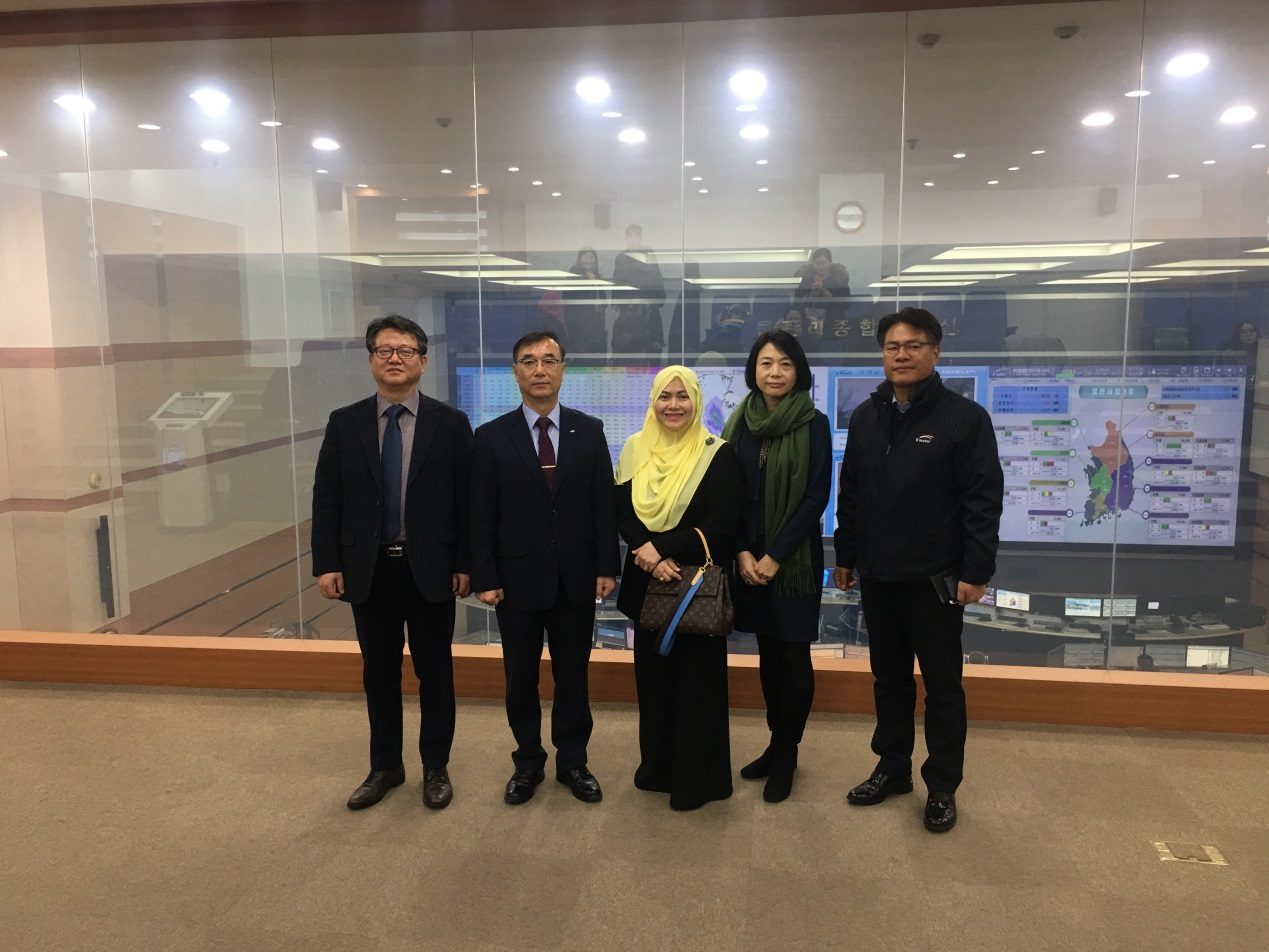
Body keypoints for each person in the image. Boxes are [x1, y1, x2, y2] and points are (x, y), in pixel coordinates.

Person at [832, 306, 1003, 833]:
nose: (901, 355)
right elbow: (851, 492)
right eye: (892, 347)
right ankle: (892, 768)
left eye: (913, 346)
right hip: (878, 575)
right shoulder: (867, 415)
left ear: (935, 352)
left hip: (935, 579)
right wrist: (845, 556)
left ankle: (943, 785)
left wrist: (976, 571)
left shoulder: (964, 419)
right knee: (888, 681)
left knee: (942, 687)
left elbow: (982, 501)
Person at [311, 314, 473, 811]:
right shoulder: (345, 423)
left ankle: (435, 767)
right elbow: (327, 497)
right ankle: (385, 766)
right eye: (385, 350)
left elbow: (467, 501)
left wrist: (466, 563)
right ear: (371, 361)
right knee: (378, 674)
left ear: (423, 361)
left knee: (435, 674)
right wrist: (326, 562)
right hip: (370, 569)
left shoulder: (451, 423)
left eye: (405, 351)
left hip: (431, 569)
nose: (395, 359)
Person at [470, 330, 620, 805]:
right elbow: (481, 514)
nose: (540, 370)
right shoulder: (490, 437)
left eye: (549, 360)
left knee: (573, 676)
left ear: (563, 369)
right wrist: (485, 575)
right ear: (515, 372)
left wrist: (607, 566)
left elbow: (603, 505)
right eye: (529, 361)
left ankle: (573, 762)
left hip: (576, 579)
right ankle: (527, 762)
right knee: (520, 679)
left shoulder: (589, 430)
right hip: (515, 581)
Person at [615, 365, 744, 810]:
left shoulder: (717, 454)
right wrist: (648, 553)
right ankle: (657, 770)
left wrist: (662, 548)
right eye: (664, 396)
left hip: (695, 589)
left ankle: (697, 782)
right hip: (646, 581)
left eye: (682, 396)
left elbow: (722, 525)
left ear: (696, 401)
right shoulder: (635, 448)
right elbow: (621, 511)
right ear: (653, 401)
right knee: (653, 685)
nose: (673, 405)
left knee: (697, 688)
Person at [723, 331, 832, 803]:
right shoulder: (738, 422)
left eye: (785, 364)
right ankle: (774, 743)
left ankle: (787, 754)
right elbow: (726, 493)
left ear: (798, 371)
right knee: (767, 655)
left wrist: (775, 556)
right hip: (748, 557)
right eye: (766, 363)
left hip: (793, 560)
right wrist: (743, 552)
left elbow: (816, 497)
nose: (774, 372)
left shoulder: (814, 423)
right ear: (754, 370)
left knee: (793, 657)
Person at [611, 223, 666, 358]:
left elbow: (657, 281)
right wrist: (621, 301)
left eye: (636, 236)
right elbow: (618, 283)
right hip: (629, 312)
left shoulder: (649, 255)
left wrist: (651, 300)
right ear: (626, 238)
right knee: (630, 350)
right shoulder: (621, 258)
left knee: (651, 349)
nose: (633, 239)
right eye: (630, 236)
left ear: (640, 237)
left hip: (649, 311)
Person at [565, 246, 609, 355]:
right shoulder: (574, 273)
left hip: (596, 323)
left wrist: (601, 306)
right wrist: (590, 281)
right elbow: (568, 297)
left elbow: (604, 299)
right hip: (579, 324)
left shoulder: (597, 275)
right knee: (581, 353)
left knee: (595, 352)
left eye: (591, 258)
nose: (589, 260)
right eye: (586, 257)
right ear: (580, 258)